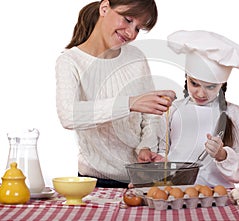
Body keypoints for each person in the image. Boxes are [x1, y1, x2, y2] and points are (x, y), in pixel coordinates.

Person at [55, 0, 176, 188]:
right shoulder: (70, 61)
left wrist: (145, 147)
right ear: (105, 8)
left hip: (139, 177)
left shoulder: (136, 57)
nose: (131, 33)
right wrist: (129, 103)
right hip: (94, 182)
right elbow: (69, 115)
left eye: (138, 28)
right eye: (128, 20)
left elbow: (149, 116)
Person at [158, 30, 239, 188]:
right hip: (176, 192)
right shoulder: (173, 109)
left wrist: (222, 155)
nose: (200, 93)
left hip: (219, 195)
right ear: (186, 78)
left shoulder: (233, 113)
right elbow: (160, 152)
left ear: (222, 85)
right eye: (194, 83)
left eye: (210, 87)